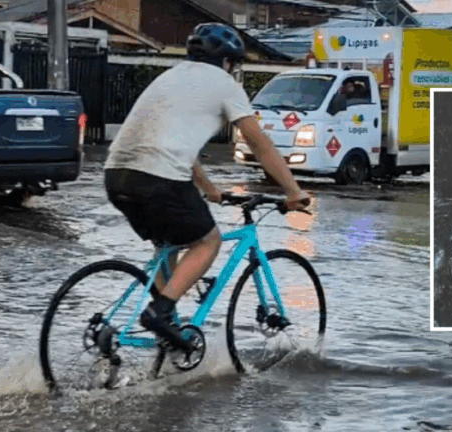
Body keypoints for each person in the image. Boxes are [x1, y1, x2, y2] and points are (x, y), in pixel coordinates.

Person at [103, 22, 311, 352]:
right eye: (235, 64)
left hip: (115, 176)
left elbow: (173, 146)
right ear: (227, 62)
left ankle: (165, 331)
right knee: (208, 242)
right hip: (159, 178)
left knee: (167, 246)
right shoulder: (224, 84)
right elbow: (260, 145)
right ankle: (159, 313)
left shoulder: (170, 77)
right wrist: (293, 191)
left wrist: (209, 187)